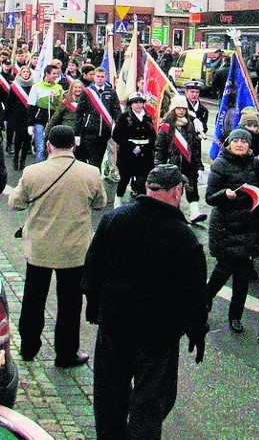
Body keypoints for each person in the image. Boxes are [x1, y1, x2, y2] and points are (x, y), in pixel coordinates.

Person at [82, 164, 209, 439]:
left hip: (115, 325)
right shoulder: (184, 237)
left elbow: (92, 267)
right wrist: (197, 333)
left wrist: (94, 305)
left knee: (109, 396)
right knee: (149, 402)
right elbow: (194, 296)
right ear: (177, 192)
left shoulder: (115, 220)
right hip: (157, 334)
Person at [8, 125, 106, 367]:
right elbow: (100, 203)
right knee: (70, 304)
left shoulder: (33, 172)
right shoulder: (90, 173)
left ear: (49, 145)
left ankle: (29, 347)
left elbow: (15, 203)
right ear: (73, 145)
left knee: (33, 299)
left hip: (40, 248)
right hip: (74, 251)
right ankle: (66, 353)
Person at [205, 128, 259, 333]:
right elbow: (209, 197)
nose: (240, 144)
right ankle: (201, 306)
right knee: (221, 272)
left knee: (242, 278)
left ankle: (235, 317)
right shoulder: (220, 164)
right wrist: (224, 194)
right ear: (228, 144)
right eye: (236, 141)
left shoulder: (255, 163)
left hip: (249, 226)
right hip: (226, 226)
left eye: (244, 141)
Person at [155, 95, 207, 223]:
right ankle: (172, 213)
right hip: (172, 163)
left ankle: (194, 212)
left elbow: (195, 149)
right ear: (174, 109)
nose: (181, 111)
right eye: (178, 108)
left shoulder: (191, 125)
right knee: (173, 190)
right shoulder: (166, 127)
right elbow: (160, 147)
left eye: (183, 108)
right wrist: (158, 165)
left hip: (189, 163)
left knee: (192, 187)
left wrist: (199, 167)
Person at [112, 92, 156, 207]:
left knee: (143, 180)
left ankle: (140, 204)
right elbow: (116, 135)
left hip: (145, 154)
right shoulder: (124, 117)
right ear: (131, 104)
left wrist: (151, 146)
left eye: (140, 102)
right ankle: (118, 199)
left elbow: (152, 134)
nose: (138, 105)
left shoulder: (147, 116)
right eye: (135, 102)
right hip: (128, 154)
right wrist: (130, 146)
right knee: (125, 179)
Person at [74, 66, 121, 168]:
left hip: (105, 131)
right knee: (93, 159)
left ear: (105, 78)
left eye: (102, 77)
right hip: (90, 131)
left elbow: (116, 111)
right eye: (98, 76)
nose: (100, 78)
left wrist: (117, 129)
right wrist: (76, 133)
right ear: (94, 77)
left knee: (100, 158)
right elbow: (79, 113)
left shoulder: (111, 92)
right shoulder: (87, 92)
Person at [27, 64, 63, 162]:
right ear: (47, 74)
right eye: (54, 74)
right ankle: (39, 171)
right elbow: (31, 106)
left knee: (52, 149)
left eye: (57, 74)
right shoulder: (36, 87)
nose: (56, 76)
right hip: (39, 121)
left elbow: (61, 105)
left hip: (53, 122)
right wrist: (30, 124)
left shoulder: (59, 87)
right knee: (40, 148)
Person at [6, 66, 33, 171]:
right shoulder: (14, 86)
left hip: (29, 117)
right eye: (24, 72)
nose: (26, 73)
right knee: (18, 138)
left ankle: (23, 160)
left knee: (27, 139)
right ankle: (16, 157)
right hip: (17, 116)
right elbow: (10, 102)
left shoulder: (33, 86)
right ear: (20, 73)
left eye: (27, 72)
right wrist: (8, 116)